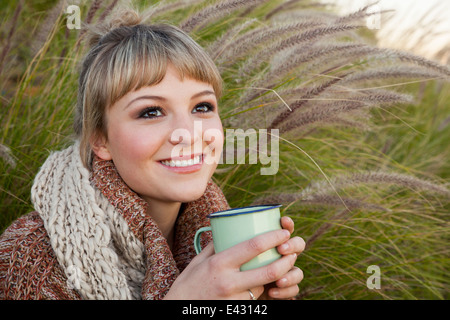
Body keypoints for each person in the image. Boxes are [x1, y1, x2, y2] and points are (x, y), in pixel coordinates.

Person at [0, 8, 305, 300]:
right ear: (100, 139)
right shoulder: (28, 260)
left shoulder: (212, 231)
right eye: (151, 112)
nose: (188, 133)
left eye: (202, 107)